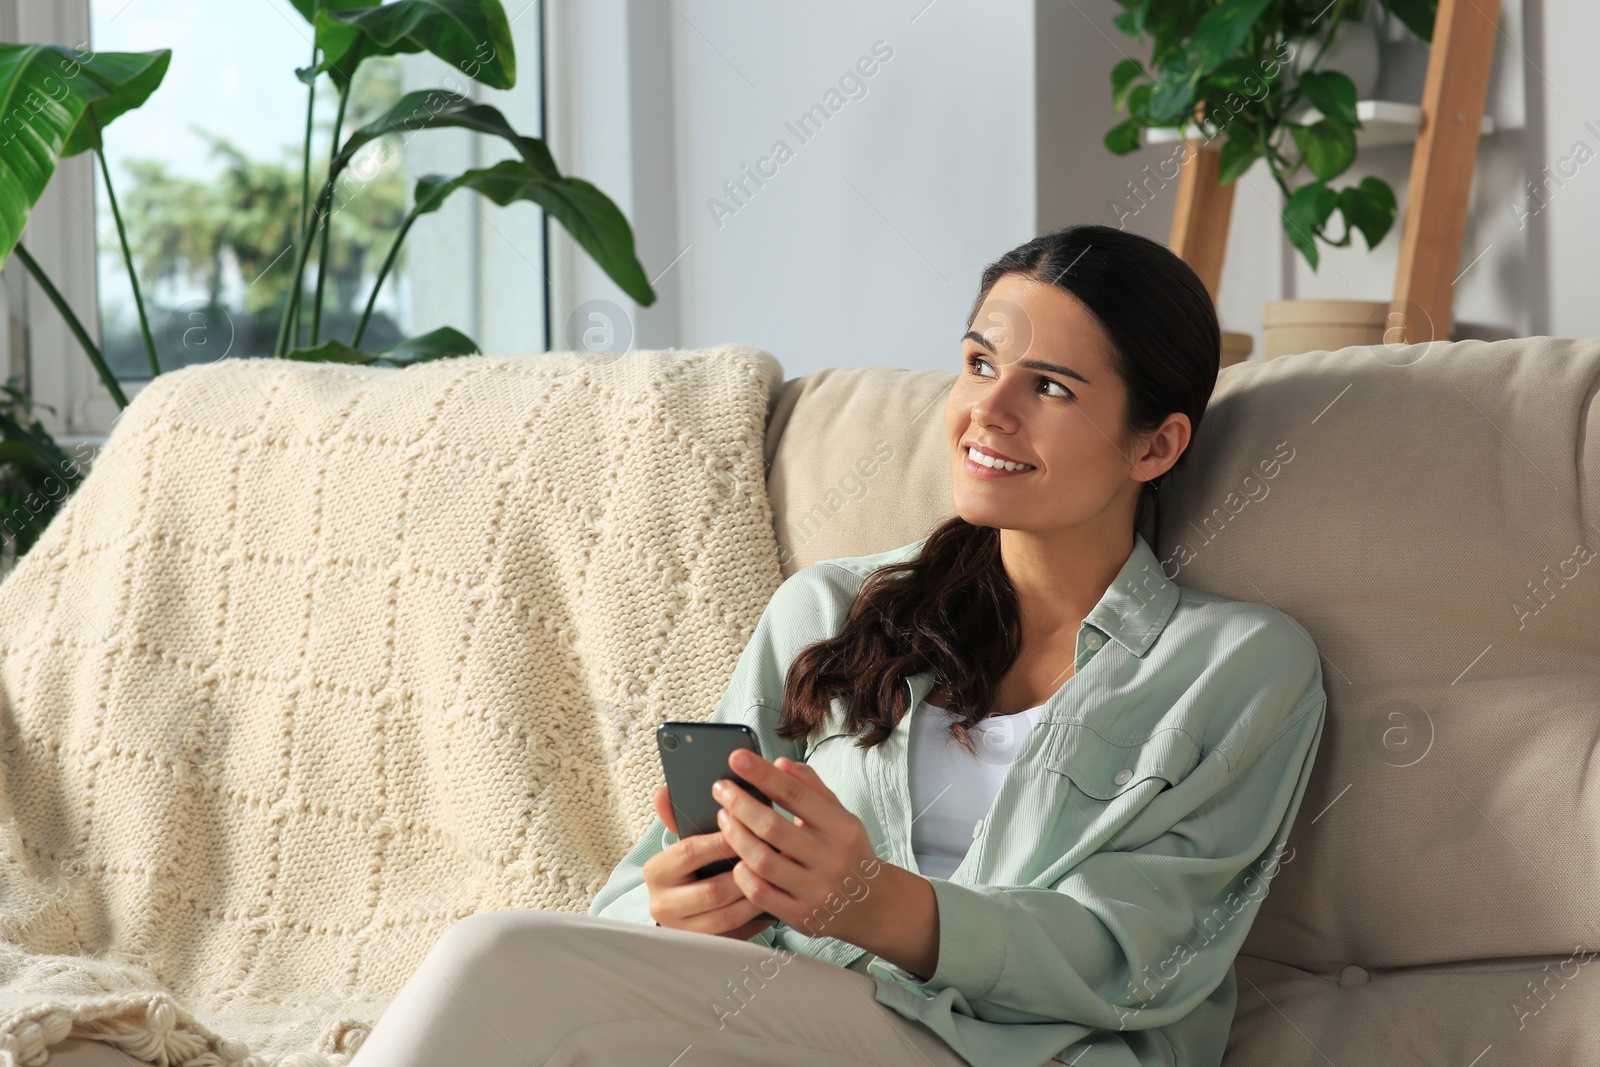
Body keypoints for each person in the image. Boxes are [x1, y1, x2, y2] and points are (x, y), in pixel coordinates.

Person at [348, 224, 1327, 1067]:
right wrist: (671, 910)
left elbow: (1139, 954)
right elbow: (630, 899)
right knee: (530, 973)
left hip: (1023, 1048)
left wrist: (877, 903)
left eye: (1051, 388)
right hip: (783, 1021)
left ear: (1154, 446)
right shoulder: (830, 609)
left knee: (497, 958)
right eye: (980, 363)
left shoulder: (1239, 670)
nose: (988, 410)